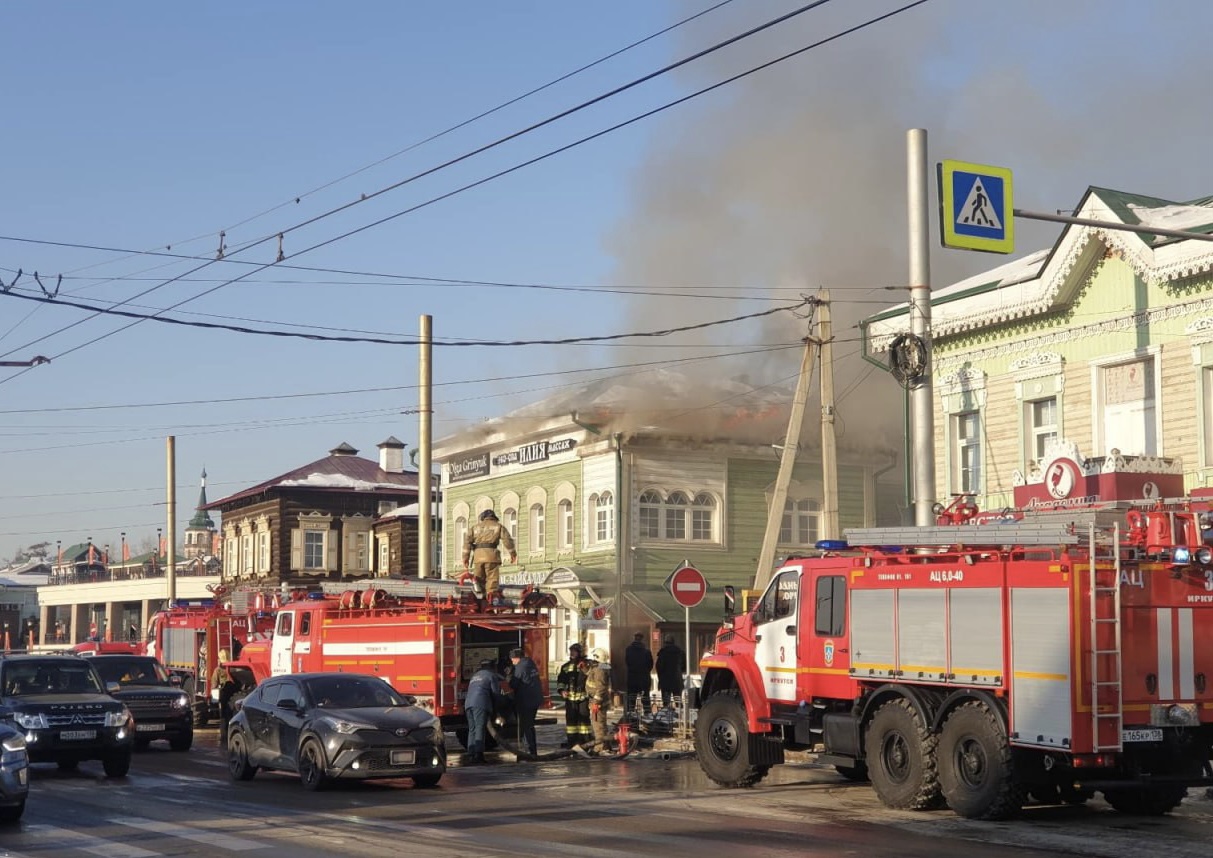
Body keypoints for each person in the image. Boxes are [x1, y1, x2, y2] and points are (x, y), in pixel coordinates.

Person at [462, 509, 517, 605]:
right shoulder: (498, 526)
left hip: (478, 557)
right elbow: (507, 541)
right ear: (494, 517)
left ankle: (480, 601)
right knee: (492, 580)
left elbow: (467, 543)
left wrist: (465, 558)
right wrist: (513, 554)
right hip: (492, 556)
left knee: (478, 580)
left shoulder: (474, 528)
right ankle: (491, 601)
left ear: (483, 518)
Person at [464, 658, 504, 765]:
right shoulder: (491, 675)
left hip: (468, 704)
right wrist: (498, 710)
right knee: (479, 728)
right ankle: (479, 755)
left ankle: (471, 754)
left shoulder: (475, 676)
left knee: (472, 729)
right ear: (491, 667)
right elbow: (495, 694)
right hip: (480, 704)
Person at [507, 647, 542, 757]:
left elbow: (514, 684)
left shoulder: (520, 667)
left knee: (525, 726)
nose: (512, 662)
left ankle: (528, 752)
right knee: (530, 725)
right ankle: (532, 750)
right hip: (534, 699)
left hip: (526, 701)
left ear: (517, 658)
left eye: (512, 659)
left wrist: (509, 676)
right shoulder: (530, 663)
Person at [556, 642, 592, 749]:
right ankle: (572, 742)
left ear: (580, 653)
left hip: (583, 697)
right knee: (571, 722)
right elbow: (561, 681)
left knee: (584, 721)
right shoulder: (566, 667)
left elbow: (592, 677)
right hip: (570, 698)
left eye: (574, 651)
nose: (572, 653)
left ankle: (586, 741)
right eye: (571, 651)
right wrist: (562, 690)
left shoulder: (587, 665)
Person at [583, 648, 613, 754]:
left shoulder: (600, 670)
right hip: (598, 701)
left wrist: (596, 702)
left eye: (595, 657)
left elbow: (601, 688)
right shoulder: (601, 667)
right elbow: (591, 674)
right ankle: (606, 745)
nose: (593, 659)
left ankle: (600, 747)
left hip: (598, 702)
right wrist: (584, 668)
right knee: (602, 724)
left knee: (598, 725)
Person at [624, 632, 653, 716]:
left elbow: (627, 662)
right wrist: (645, 672)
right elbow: (650, 665)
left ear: (634, 638)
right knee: (646, 699)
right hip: (644, 679)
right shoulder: (647, 652)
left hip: (632, 678)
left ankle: (630, 716)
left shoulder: (628, 650)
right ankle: (648, 715)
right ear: (642, 639)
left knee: (631, 699)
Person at [210, 648, 236, 743]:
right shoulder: (233, 669)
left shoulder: (218, 670)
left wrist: (213, 698)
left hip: (224, 695)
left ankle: (224, 737)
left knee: (223, 717)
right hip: (232, 696)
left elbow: (214, 685)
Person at [655, 635, 686, 709]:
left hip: (665, 681)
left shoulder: (662, 652)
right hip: (677, 680)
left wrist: (660, 678)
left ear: (665, 642)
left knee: (666, 703)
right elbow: (684, 667)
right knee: (678, 701)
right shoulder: (680, 652)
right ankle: (681, 717)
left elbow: (659, 667)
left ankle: (667, 718)